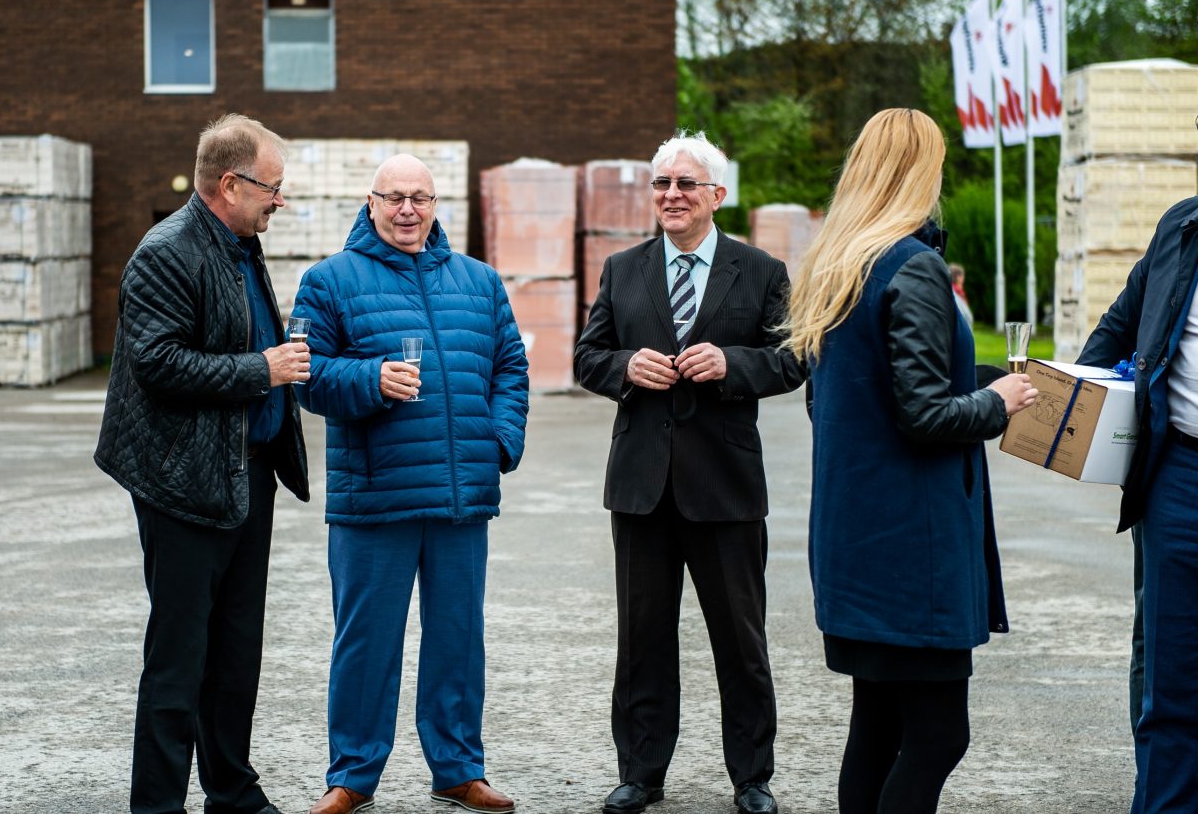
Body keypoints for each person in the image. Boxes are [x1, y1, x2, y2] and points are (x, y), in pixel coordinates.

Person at [782, 108, 1036, 813]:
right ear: (920, 170)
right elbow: (923, 412)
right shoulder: (915, 267)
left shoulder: (838, 267)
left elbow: (857, 390)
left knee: (877, 725)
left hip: (855, 538)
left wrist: (980, 373)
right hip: (912, 549)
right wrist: (1001, 399)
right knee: (935, 736)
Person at [573, 131, 805, 814]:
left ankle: (752, 775)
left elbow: (793, 358)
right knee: (642, 635)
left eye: (684, 184)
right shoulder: (622, 269)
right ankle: (641, 772)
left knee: (740, 637)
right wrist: (625, 368)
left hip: (725, 487)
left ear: (716, 195)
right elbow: (587, 357)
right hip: (642, 485)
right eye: (661, 185)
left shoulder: (760, 271)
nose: (670, 195)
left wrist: (735, 365)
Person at [291, 154, 529, 814]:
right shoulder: (328, 281)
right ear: (369, 203)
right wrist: (370, 380)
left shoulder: (479, 283)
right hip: (375, 499)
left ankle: (457, 768)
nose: (407, 209)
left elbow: (511, 365)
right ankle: (352, 776)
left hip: (460, 497)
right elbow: (305, 373)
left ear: (435, 202)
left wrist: (499, 441)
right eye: (394, 197)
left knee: (458, 638)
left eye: (419, 197)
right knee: (366, 643)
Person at [94, 114, 310, 814]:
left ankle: (232, 792)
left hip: (246, 475)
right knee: (179, 656)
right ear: (230, 183)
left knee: (236, 649)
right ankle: (157, 806)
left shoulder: (240, 243)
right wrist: (262, 368)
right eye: (272, 188)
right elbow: (156, 364)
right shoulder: (166, 250)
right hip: (182, 482)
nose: (279, 200)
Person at [1076, 190, 1198, 813]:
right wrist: (1066, 406)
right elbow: (1123, 324)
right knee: (1169, 676)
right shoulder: (1182, 223)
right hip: (1179, 470)